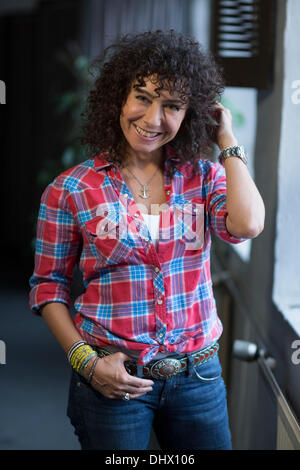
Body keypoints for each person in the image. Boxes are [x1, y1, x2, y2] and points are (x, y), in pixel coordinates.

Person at [28, 30, 265, 450]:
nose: (153, 119)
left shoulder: (204, 177)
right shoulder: (71, 189)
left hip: (199, 377)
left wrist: (226, 141)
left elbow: (246, 226)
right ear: (119, 96)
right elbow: (48, 288)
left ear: (190, 114)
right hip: (112, 379)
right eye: (142, 96)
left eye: (172, 105)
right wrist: (85, 362)